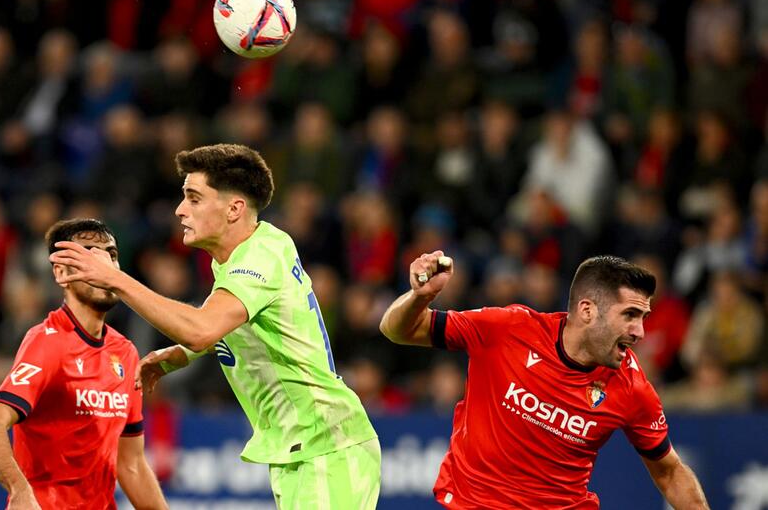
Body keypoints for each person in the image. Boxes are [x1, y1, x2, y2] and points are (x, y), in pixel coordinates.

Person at [49, 144, 380, 509]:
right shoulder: (247, 253)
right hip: (305, 450)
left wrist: (116, 279)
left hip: (327, 447)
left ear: (234, 208)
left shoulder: (259, 258)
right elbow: (229, 321)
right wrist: (179, 355)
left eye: (193, 198)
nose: (180, 210)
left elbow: (203, 327)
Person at [379, 252, 709, 508]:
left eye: (643, 318)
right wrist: (419, 296)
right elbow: (396, 330)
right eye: (630, 315)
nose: (640, 332)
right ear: (587, 310)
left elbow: (669, 471)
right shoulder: (507, 329)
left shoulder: (632, 388)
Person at [0, 219, 167, 510]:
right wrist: (20, 491)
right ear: (61, 273)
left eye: (111, 255)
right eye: (88, 254)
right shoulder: (47, 343)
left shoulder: (125, 352)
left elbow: (132, 465)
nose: (104, 264)